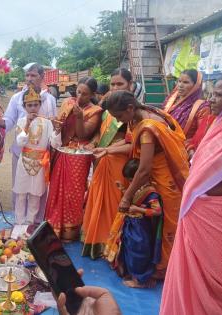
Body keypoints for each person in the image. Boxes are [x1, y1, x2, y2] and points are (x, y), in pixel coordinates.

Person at [160, 75, 222, 315]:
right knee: (191, 285)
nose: (211, 100)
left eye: (219, 95)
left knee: (220, 289)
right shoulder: (219, 127)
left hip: (221, 223)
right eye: (211, 93)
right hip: (197, 216)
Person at [106, 90, 189, 278]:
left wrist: (127, 197)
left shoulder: (148, 128)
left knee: (167, 227)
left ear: (129, 108)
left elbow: (143, 170)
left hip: (165, 182)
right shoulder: (147, 112)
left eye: (119, 116)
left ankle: (162, 271)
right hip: (158, 179)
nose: (120, 121)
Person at [0, 63, 57, 221]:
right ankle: (18, 223)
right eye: (27, 75)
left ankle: (36, 223)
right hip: (21, 154)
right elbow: (9, 121)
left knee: (39, 192)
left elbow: (53, 126)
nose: (29, 79)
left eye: (33, 75)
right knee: (19, 190)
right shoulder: (16, 98)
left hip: (42, 157)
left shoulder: (50, 100)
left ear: (42, 77)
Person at [81, 68, 133, 259]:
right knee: (98, 202)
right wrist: (94, 143)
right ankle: (96, 240)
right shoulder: (107, 108)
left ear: (130, 85)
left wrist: (107, 150)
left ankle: (111, 245)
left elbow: (131, 140)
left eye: (120, 84)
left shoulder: (131, 109)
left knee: (113, 204)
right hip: (101, 159)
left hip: (118, 163)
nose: (115, 87)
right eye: (112, 84)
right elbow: (98, 132)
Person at [45, 77, 102, 240]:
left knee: (73, 193)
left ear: (92, 94)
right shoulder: (68, 102)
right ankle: (53, 225)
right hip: (62, 149)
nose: (80, 96)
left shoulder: (95, 111)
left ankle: (70, 231)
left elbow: (84, 134)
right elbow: (60, 122)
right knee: (56, 189)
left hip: (79, 155)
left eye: (85, 94)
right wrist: (56, 124)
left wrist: (79, 116)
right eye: (78, 91)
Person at [105, 159, 163, 288]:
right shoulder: (139, 188)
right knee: (129, 250)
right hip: (131, 225)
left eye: (132, 180)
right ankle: (132, 274)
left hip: (141, 228)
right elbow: (135, 198)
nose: (132, 183)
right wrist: (124, 190)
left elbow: (157, 211)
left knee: (139, 252)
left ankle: (141, 280)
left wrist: (139, 210)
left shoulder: (150, 192)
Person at [13, 86, 62, 225]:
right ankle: (18, 223)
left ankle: (29, 224)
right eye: (29, 105)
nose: (33, 108)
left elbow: (54, 144)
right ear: (24, 106)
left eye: (36, 105)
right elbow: (20, 142)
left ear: (40, 105)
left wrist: (57, 131)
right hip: (24, 162)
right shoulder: (21, 121)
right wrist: (27, 124)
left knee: (35, 196)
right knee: (21, 194)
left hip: (41, 163)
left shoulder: (47, 123)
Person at [163, 69, 210, 144]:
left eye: (185, 82)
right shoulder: (171, 100)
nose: (180, 85)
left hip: (182, 148)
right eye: (179, 81)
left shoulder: (202, 107)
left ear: (196, 85)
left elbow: (202, 135)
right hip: (163, 141)